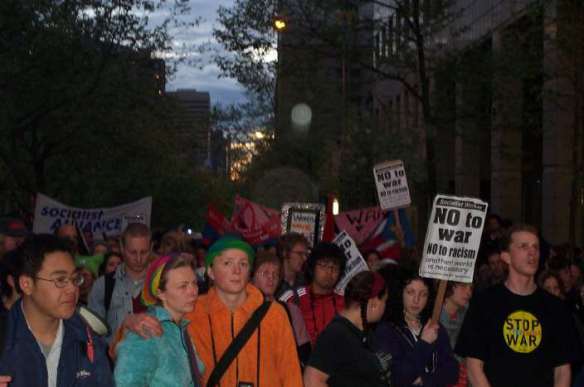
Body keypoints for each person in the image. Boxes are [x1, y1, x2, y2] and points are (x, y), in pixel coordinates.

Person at [120, 236, 303, 386]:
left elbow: (291, 374)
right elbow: (130, 349)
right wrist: (129, 323)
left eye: (243, 264)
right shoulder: (192, 309)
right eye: (227, 263)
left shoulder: (274, 313)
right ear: (210, 271)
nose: (236, 270)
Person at [456, 224, 580, 387]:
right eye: (523, 246)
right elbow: (473, 365)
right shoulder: (484, 303)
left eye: (535, 247)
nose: (532, 252)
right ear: (506, 257)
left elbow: (563, 369)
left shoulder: (556, 308)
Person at [0, 234, 113, 386]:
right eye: (60, 280)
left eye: (75, 279)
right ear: (27, 284)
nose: (73, 289)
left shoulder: (88, 340)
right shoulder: (6, 339)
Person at [115, 254, 203, 386]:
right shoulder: (147, 329)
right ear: (160, 293)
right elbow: (126, 383)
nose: (193, 291)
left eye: (194, 283)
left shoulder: (180, 326)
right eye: (183, 286)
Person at [304, 271, 391, 387]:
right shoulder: (336, 334)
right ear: (373, 303)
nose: (385, 306)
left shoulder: (363, 332)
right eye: (384, 301)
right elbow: (311, 380)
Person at [372, 271, 458, 386]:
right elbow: (397, 377)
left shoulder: (433, 326)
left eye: (423, 294)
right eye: (410, 292)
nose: (416, 300)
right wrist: (424, 343)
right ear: (400, 293)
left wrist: (424, 380)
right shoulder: (387, 329)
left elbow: (452, 371)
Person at [88, 223, 154, 340]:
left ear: (151, 248)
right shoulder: (103, 285)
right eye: (132, 252)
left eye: (143, 252)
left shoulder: (163, 283)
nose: (138, 259)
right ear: (122, 248)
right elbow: (94, 334)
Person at [252, 250, 312, 365]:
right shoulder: (240, 309)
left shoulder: (291, 310)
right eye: (265, 273)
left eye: (276, 274)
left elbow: (305, 354)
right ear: (252, 277)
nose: (271, 278)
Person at [280, 242, 346, 345]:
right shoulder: (292, 299)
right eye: (323, 265)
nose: (329, 272)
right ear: (312, 267)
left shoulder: (347, 300)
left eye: (335, 267)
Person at [440, 282, 473, 387]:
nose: (469, 292)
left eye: (471, 288)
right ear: (449, 285)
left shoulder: (468, 314)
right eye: (463, 286)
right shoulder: (434, 315)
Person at [276, 233, 310, 301]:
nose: (304, 258)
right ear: (285, 253)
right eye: (299, 253)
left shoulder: (306, 282)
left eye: (306, 254)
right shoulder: (273, 281)